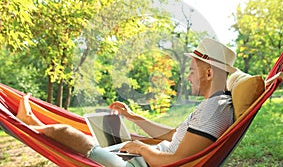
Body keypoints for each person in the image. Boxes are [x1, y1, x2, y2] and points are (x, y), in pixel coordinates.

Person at [16, 38, 237, 167]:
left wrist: (141, 148)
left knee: (66, 132)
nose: (188, 77)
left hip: (142, 164)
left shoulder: (213, 110)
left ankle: (30, 124)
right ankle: (35, 123)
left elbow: (177, 160)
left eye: (191, 71)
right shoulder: (216, 104)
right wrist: (134, 118)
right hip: (148, 156)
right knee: (104, 133)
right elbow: (173, 135)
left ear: (208, 73)